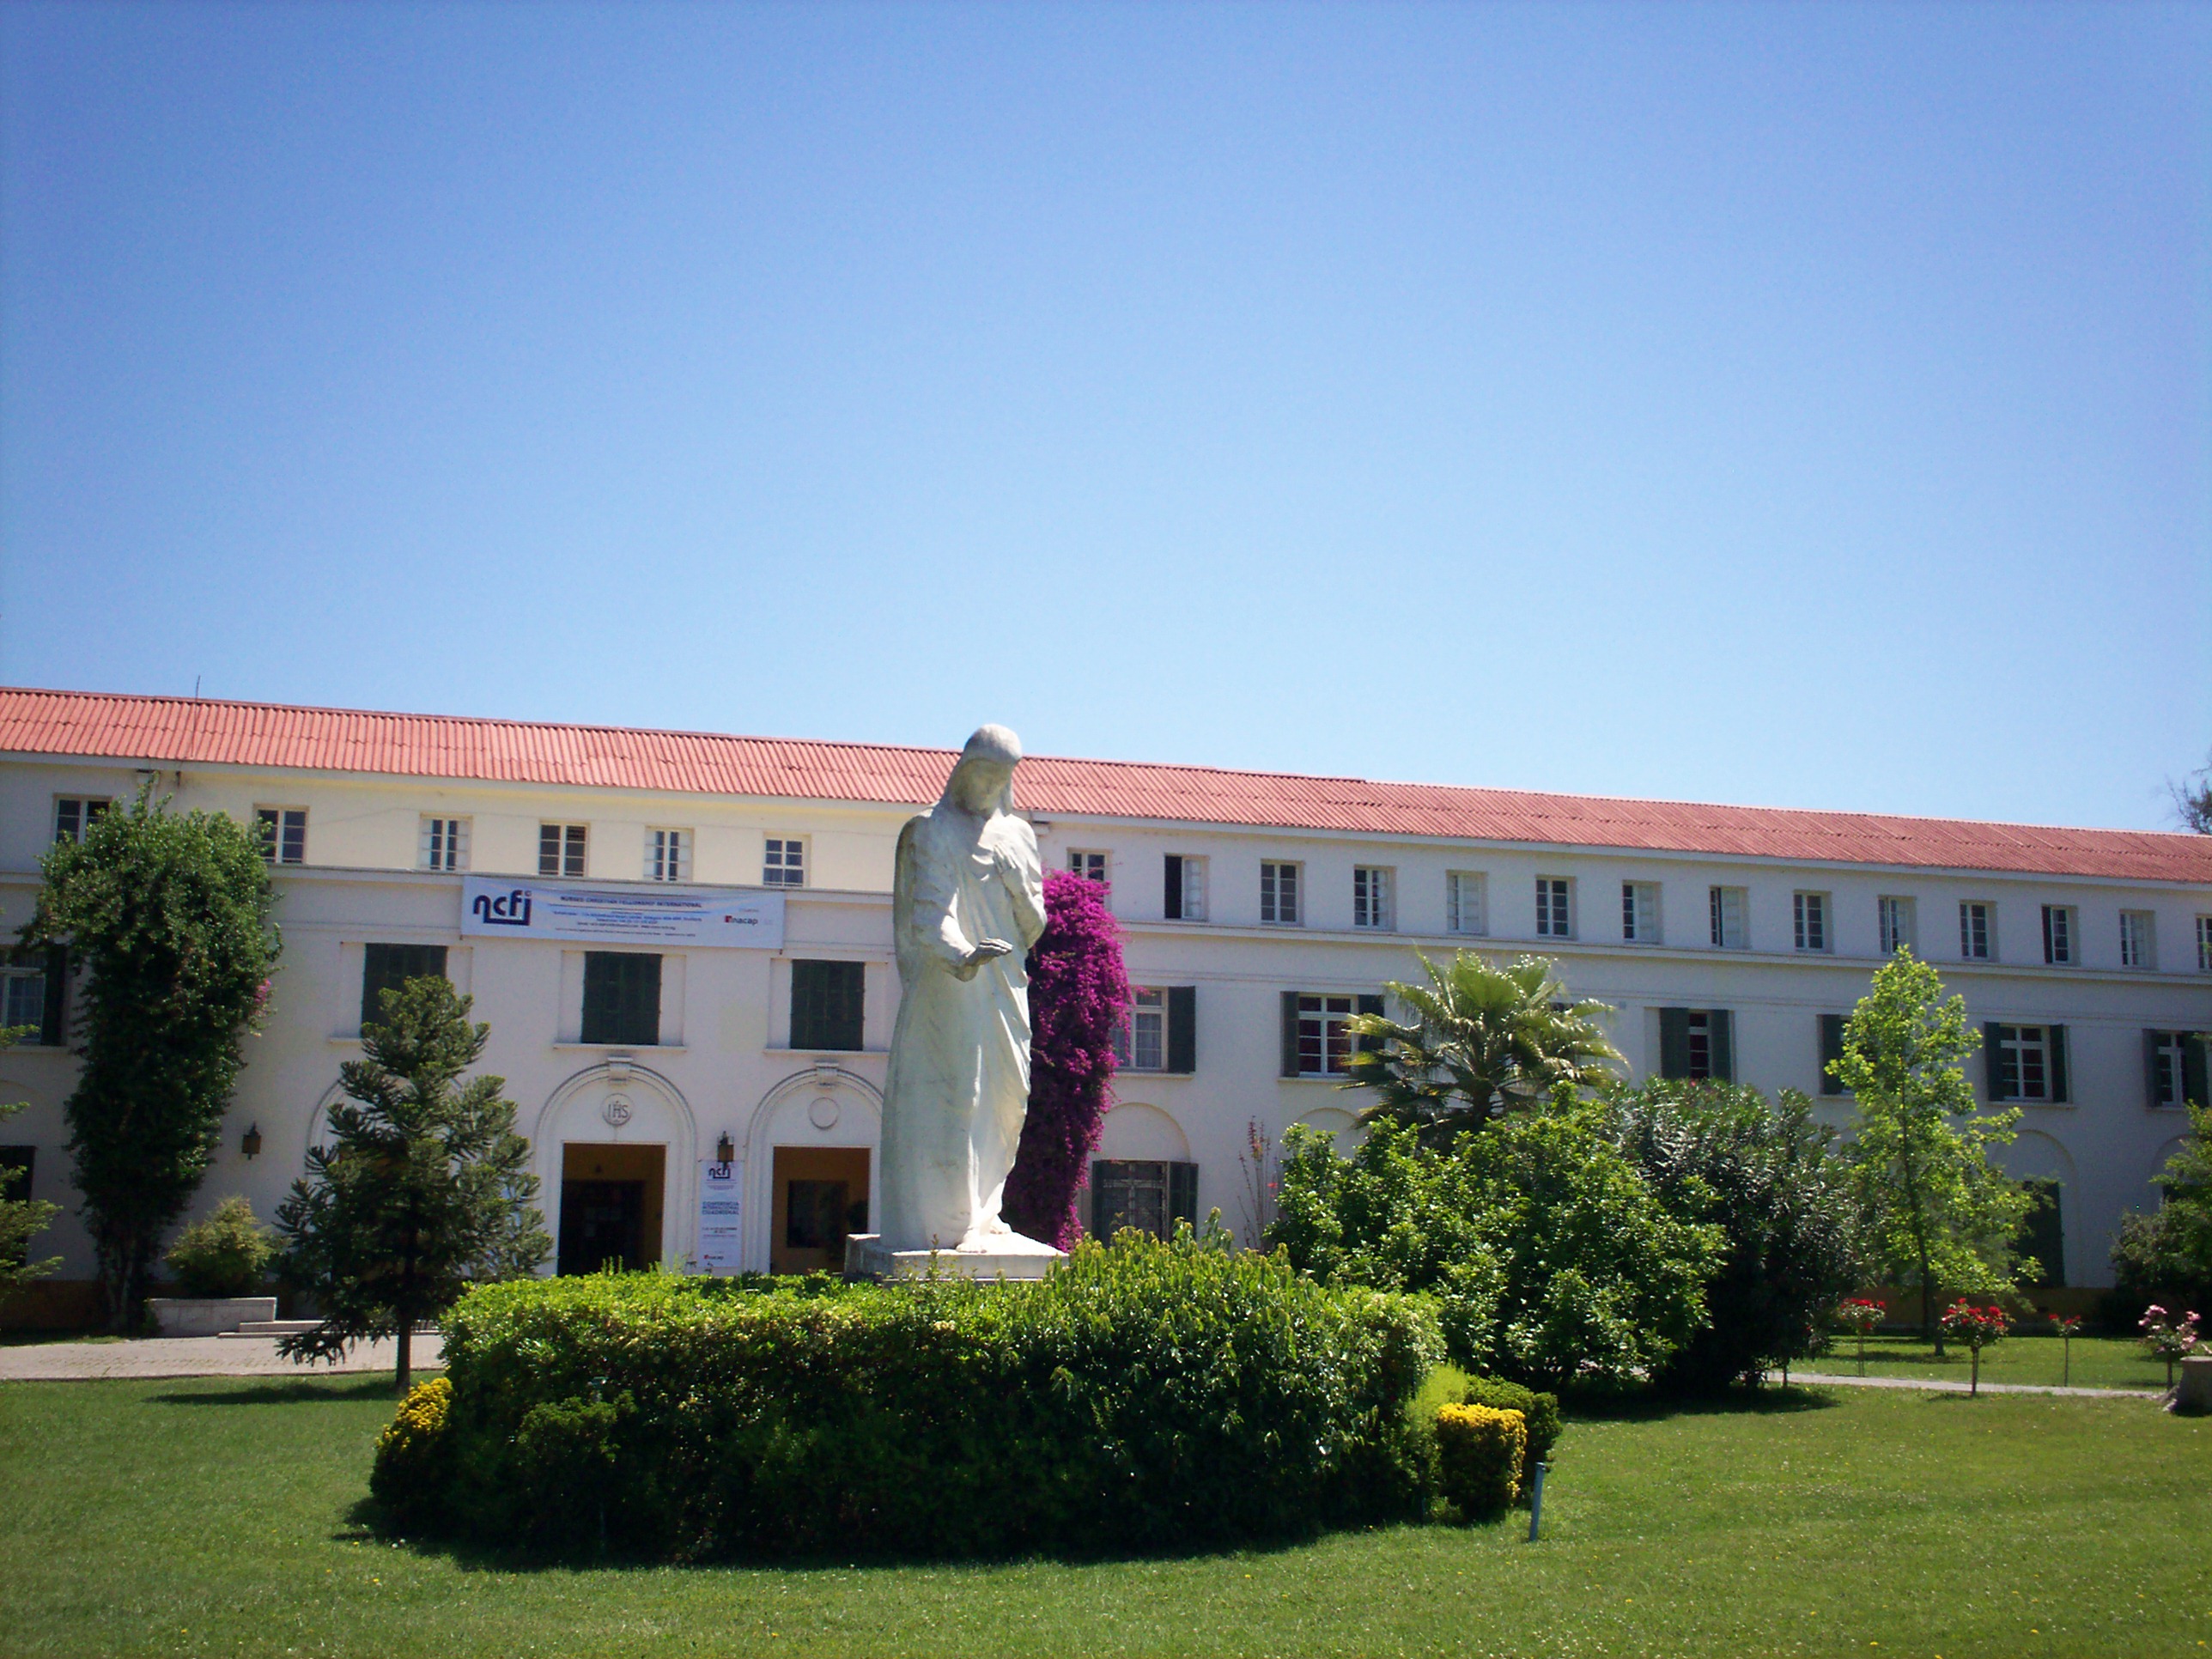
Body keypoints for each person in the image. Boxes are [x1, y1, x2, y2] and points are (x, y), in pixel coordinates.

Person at [876, 724, 1049, 1252]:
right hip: (951, 986)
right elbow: (931, 914)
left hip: (1006, 984)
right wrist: (963, 956)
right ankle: (955, 1222)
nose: (990, 786)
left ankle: (987, 1209)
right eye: (983, 774)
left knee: (1009, 1097)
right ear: (963, 770)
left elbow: (1033, 927)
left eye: (1001, 778)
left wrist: (1017, 883)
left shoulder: (1019, 835)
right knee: (959, 1093)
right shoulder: (932, 830)